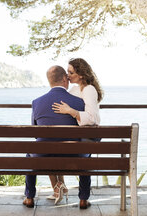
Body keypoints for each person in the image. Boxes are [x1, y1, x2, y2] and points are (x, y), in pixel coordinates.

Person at [23, 65, 92, 210]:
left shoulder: (36, 103)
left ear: (49, 81)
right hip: (74, 155)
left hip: (44, 155)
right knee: (86, 153)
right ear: (64, 79)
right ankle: (83, 199)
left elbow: (35, 132)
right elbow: (84, 129)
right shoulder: (78, 102)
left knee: (30, 153)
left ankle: (29, 197)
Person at [49, 58, 103, 204]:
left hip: (86, 136)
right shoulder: (73, 89)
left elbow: (93, 118)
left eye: (71, 72)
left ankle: (83, 197)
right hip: (77, 136)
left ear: (81, 74)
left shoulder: (88, 89)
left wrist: (71, 111)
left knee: (84, 158)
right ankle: (66, 190)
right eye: (67, 72)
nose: (68, 75)